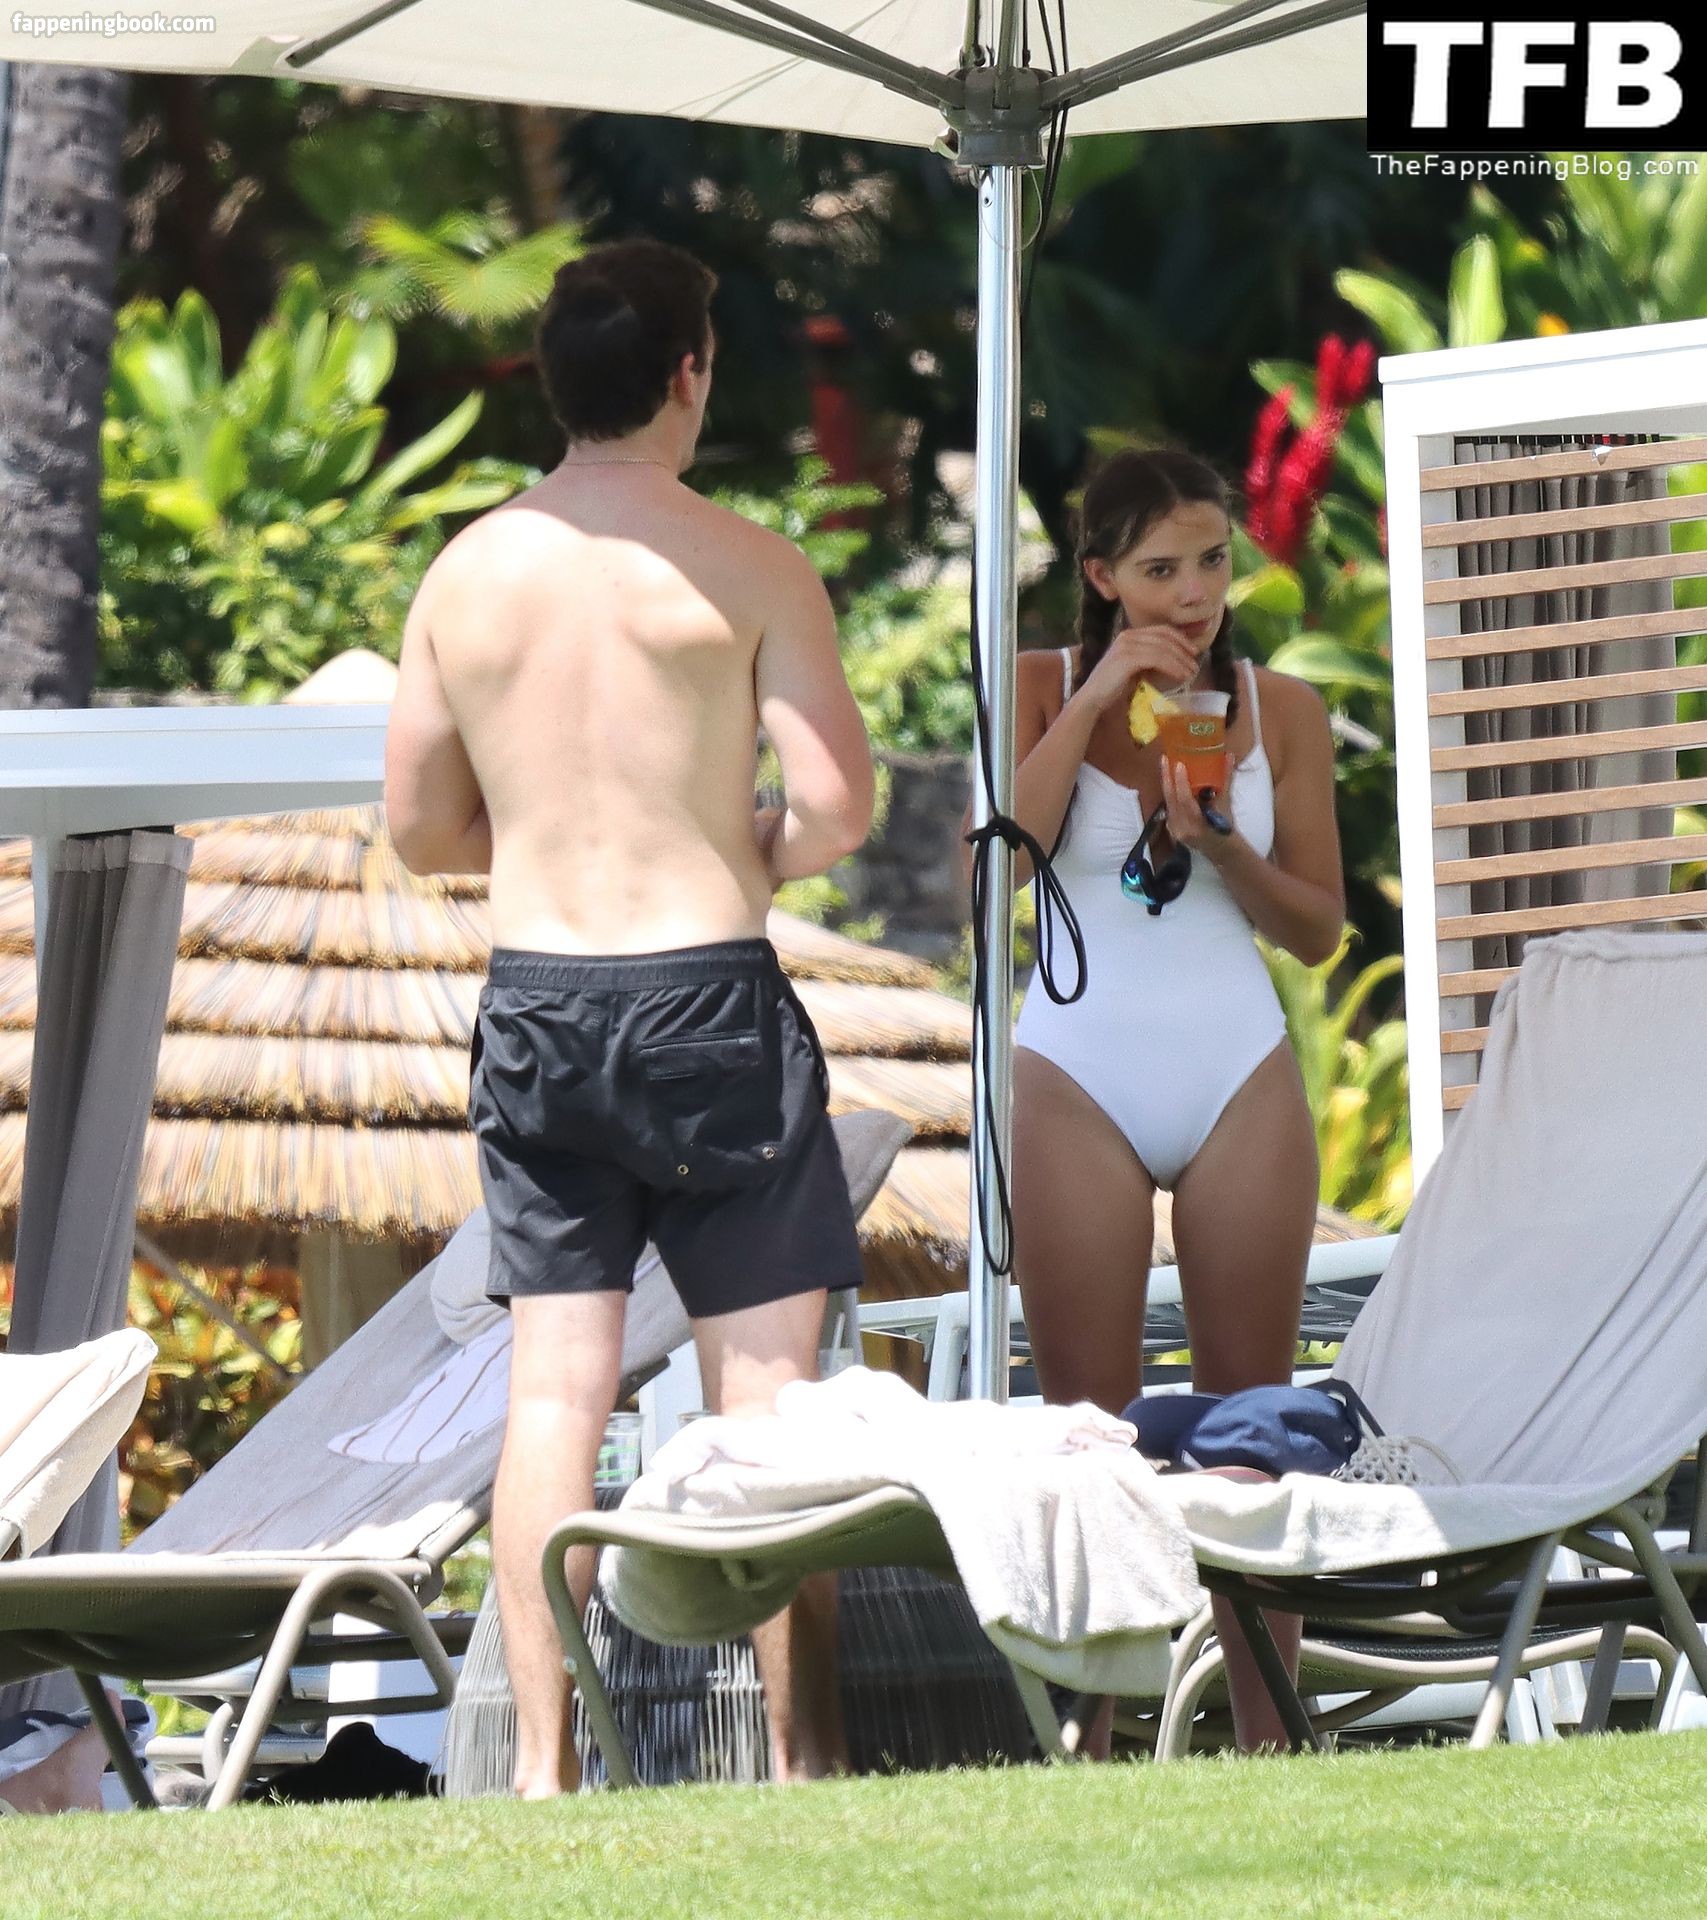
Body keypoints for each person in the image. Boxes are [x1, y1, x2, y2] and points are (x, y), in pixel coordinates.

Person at [384, 238, 875, 1794]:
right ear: (688, 375)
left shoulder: (466, 574)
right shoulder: (748, 564)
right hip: (708, 993)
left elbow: (419, 830)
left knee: (554, 1391)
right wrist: (747, 847)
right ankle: (799, 1761)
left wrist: (538, 841)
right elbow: (839, 808)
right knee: (769, 1393)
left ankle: (542, 1768)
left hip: (538, 1001)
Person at [962, 446, 1346, 1752]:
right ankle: (1099, 1732)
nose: (1194, 594)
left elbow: (1318, 934)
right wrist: (1095, 698)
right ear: (1101, 577)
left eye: (1213, 562)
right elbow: (995, 872)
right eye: (1161, 569)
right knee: (1091, 1428)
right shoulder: (1037, 685)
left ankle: (1268, 1732)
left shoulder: (1280, 709)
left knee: (1252, 1421)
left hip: (1235, 1064)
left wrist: (1221, 841)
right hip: (1081, 1068)